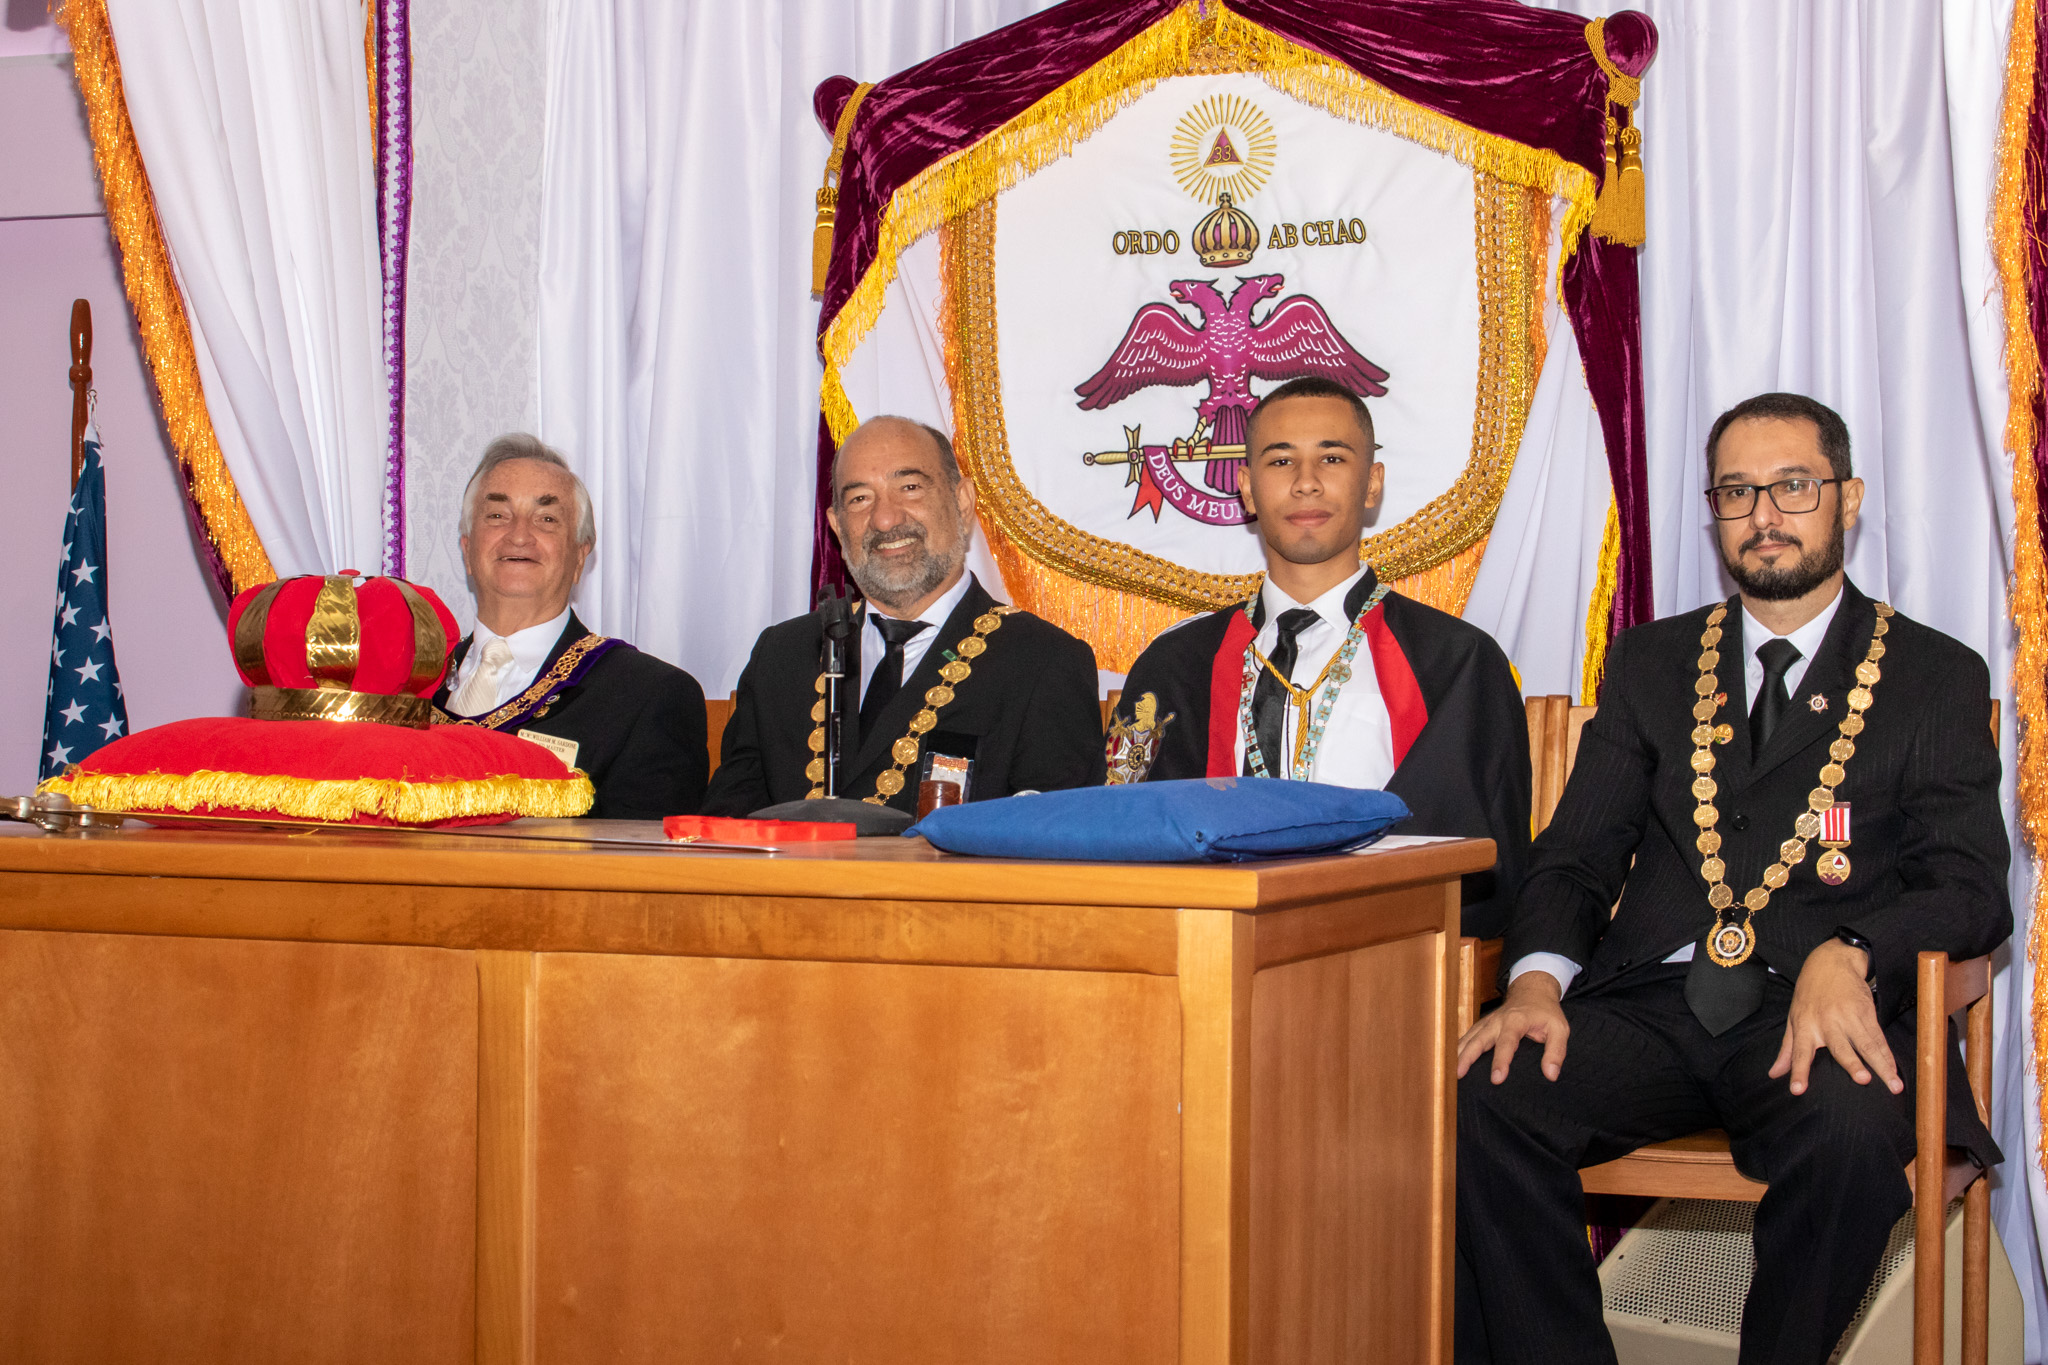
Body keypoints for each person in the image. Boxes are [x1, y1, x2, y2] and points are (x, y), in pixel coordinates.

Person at [1455, 393, 2009, 1364]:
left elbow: (1968, 885)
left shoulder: (1931, 675)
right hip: (1652, 1005)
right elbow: (1577, 856)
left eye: (1791, 486)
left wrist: (1854, 951)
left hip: (1821, 1011)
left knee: (1846, 1141)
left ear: (1846, 498)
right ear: (1711, 510)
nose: (1763, 514)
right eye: (1736, 491)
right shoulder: (1651, 662)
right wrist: (1535, 982)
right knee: (1484, 1096)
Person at [1105, 375, 1531, 935]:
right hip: (1207, 945)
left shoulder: (1458, 663)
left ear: (1372, 483)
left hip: (1385, 952)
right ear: (1247, 488)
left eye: (1332, 458)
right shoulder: (1175, 665)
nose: (1306, 483)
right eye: (1281, 462)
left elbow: (1486, 869)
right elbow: (1125, 842)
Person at [703, 416, 1104, 816]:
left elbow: (1053, 852)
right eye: (860, 499)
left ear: (963, 503)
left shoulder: (1043, 662)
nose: (885, 519)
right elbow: (723, 832)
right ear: (837, 528)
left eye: (909, 488)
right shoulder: (783, 654)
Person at [433, 434, 708, 818]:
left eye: (547, 519)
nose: (519, 534)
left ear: (580, 556)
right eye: (497, 515)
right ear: (466, 549)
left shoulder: (648, 697)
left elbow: (646, 867)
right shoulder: (410, 687)